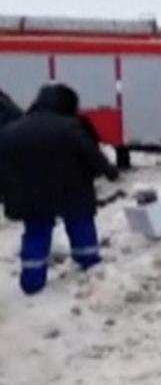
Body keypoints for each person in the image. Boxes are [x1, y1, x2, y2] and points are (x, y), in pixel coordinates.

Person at [0, 83, 118, 295]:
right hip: (72, 190)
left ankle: (32, 282)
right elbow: (91, 155)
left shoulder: (12, 130)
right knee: (80, 222)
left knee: (36, 232)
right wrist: (109, 171)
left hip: (31, 195)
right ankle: (88, 263)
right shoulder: (71, 127)